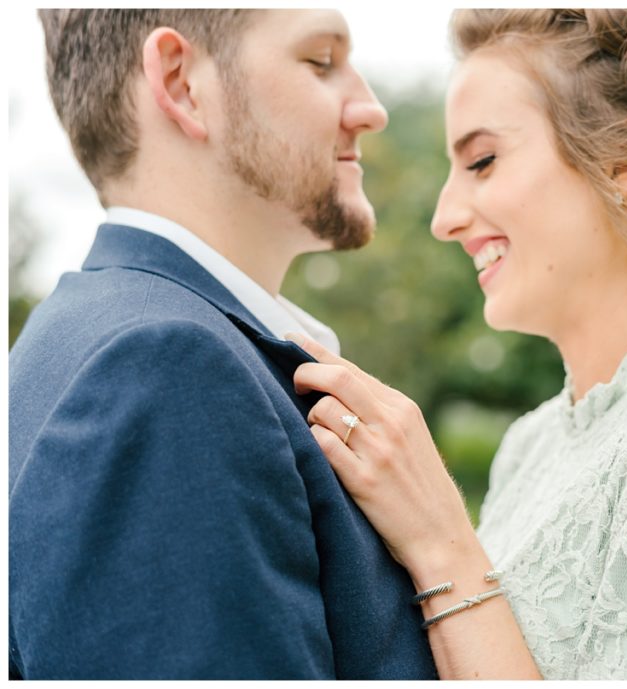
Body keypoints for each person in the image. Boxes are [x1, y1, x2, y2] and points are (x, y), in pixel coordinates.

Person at [290, 8, 627, 680]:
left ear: (621, 160)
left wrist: (441, 540)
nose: (444, 216)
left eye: (483, 161)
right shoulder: (531, 445)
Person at [9, 9, 437, 679]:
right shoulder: (162, 371)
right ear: (182, 84)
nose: (371, 109)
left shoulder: (91, 336)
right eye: (320, 61)